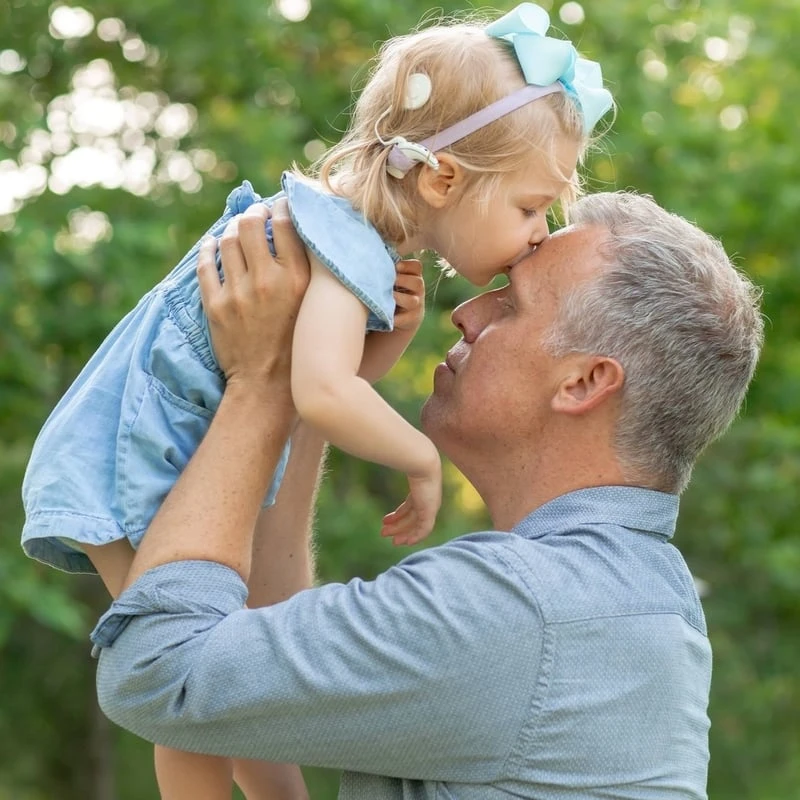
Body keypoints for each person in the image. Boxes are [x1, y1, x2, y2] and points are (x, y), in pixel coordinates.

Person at [21, 4, 613, 798]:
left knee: (239, 665)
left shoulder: (352, 240)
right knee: (186, 680)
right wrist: (421, 459)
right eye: (528, 206)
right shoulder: (340, 238)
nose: (538, 232)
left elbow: (330, 386)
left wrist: (388, 343)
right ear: (443, 179)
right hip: (130, 456)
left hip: (169, 454)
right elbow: (322, 393)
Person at [90, 188, 763, 799]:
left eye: (510, 303)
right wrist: (305, 389)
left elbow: (156, 673)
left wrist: (258, 381)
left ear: (584, 383)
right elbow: (264, 653)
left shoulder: (516, 610)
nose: (467, 313)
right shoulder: (639, 599)